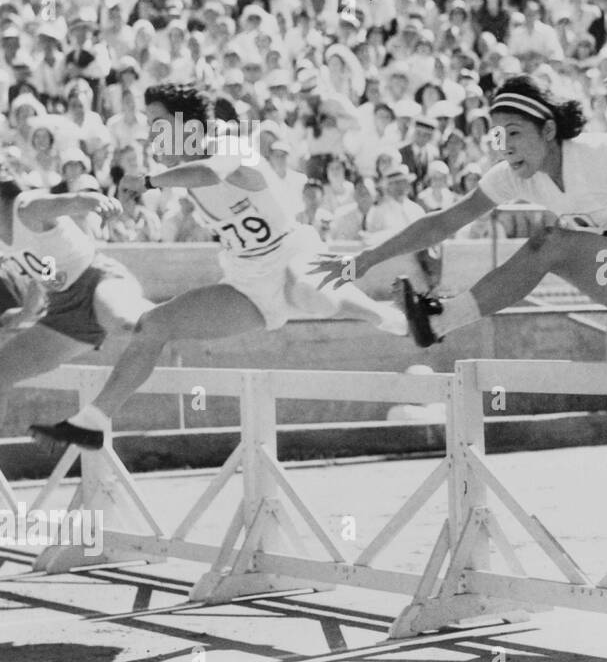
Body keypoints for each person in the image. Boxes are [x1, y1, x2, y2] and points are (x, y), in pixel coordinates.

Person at [30, 84, 406, 451]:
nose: (152, 130)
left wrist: (147, 181)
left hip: (293, 252)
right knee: (155, 325)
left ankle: (388, 316)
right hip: (247, 280)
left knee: (307, 290)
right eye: (148, 122)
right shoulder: (180, 165)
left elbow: (211, 171)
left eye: (158, 121)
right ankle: (93, 421)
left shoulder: (227, 146)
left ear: (187, 124)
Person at [311, 75, 607, 364]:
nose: (505, 145)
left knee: (551, 243)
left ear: (550, 130)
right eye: (498, 135)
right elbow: (442, 222)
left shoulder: (602, 152)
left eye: (514, 133)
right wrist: (363, 260)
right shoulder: (516, 175)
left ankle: (442, 319)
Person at [0, 180, 152, 424]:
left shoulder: (27, 207)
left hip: (98, 280)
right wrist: (25, 313)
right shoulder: (3, 237)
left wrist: (101, 202)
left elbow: (73, 201)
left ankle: (179, 318)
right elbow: (39, 276)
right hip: (63, 311)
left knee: (125, 323)